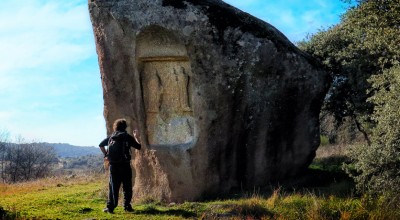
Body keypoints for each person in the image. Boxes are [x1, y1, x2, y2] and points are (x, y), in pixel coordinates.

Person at [99, 118, 141, 213]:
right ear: (125, 127)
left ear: (116, 126)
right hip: (125, 165)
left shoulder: (111, 137)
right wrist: (136, 137)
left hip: (113, 166)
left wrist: (106, 154)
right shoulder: (127, 137)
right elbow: (139, 146)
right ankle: (127, 206)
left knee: (113, 186)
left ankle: (110, 207)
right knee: (127, 186)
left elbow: (100, 145)